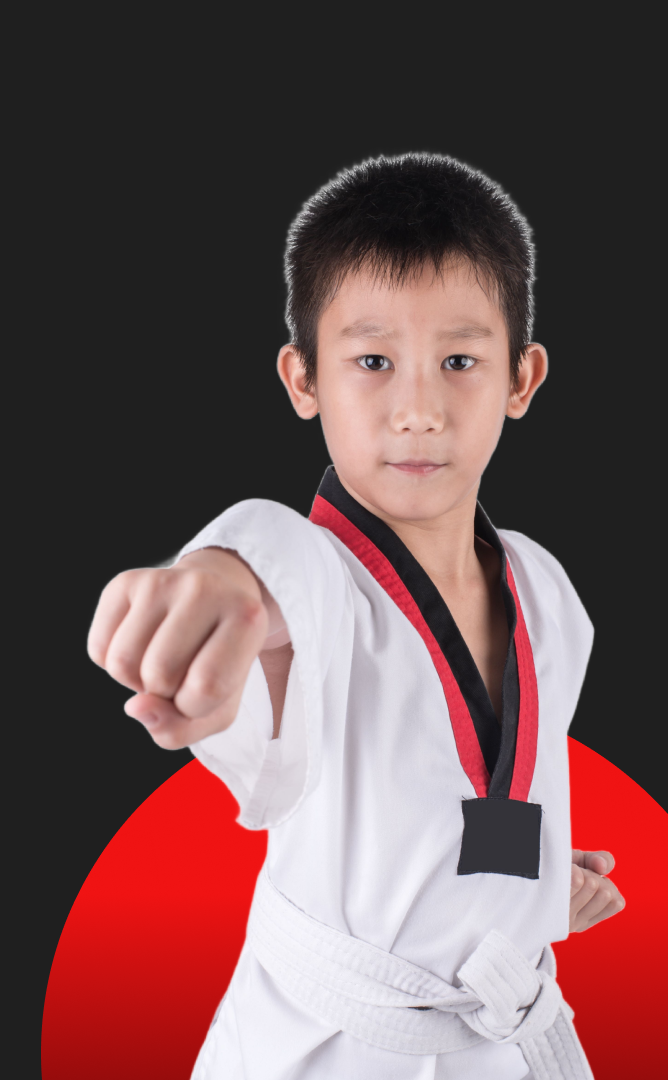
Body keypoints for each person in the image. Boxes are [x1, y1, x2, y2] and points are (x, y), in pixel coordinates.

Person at [88, 153, 625, 1079]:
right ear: (302, 380)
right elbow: (276, 573)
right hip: (322, 1051)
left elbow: (467, 802)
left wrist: (534, 891)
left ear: (522, 379)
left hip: (500, 1041)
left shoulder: (549, 594)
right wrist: (222, 577)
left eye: (459, 361)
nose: (418, 410)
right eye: (373, 362)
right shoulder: (318, 585)